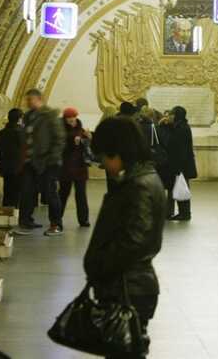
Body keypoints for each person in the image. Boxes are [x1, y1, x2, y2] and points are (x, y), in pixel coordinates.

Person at [85, 116, 166, 359]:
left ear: (118, 152)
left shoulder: (138, 185)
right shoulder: (141, 179)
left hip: (128, 289)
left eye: (104, 158)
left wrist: (101, 266)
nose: (103, 164)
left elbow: (134, 240)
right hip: (129, 286)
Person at [15, 88, 66, 237]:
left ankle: (56, 224)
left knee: (50, 194)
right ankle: (25, 222)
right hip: (30, 162)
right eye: (27, 100)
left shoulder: (49, 116)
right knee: (26, 192)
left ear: (39, 99)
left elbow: (59, 138)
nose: (27, 102)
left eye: (30, 99)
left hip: (47, 162)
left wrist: (52, 159)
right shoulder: (28, 116)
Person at [59, 107, 92, 228]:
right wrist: (72, 142)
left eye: (73, 118)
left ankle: (84, 220)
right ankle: (57, 219)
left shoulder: (80, 129)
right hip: (66, 167)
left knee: (81, 194)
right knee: (63, 193)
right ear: (65, 119)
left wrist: (88, 138)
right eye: (69, 119)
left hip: (80, 166)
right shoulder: (60, 130)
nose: (72, 121)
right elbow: (61, 147)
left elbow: (87, 147)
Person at [166, 106, 197, 221]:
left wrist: (178, 167)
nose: (170, 116)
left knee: (182, 188)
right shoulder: (181, 126)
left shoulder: (181, 128)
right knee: (181, 188)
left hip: (181, 165)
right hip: (182, 164)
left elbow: (180, 149)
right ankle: (184, 212)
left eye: (172, 114)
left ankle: (185, 213)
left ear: (177, 115)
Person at [0, 108, 25, 208]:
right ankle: (17, 215)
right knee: (19, 194)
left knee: (7, 192)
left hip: (6, 168)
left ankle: (7, 214)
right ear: (20, 119)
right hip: (21, 168)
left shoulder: (1, 133)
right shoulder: (22, 133)